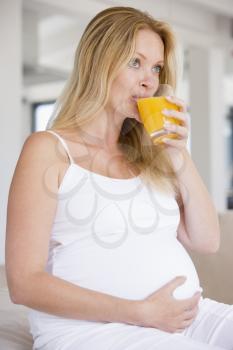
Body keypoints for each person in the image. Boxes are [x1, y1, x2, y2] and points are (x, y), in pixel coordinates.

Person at [5, 6, 233, 350]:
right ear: (98, 62)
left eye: (156, 68)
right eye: (135, 62)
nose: (149, 80)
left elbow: (207, 241)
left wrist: (179, 153)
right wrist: (141, 312)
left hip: (187, 318)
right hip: (94, 332)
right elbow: (23, 282)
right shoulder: (49, 150)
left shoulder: (151, 155)